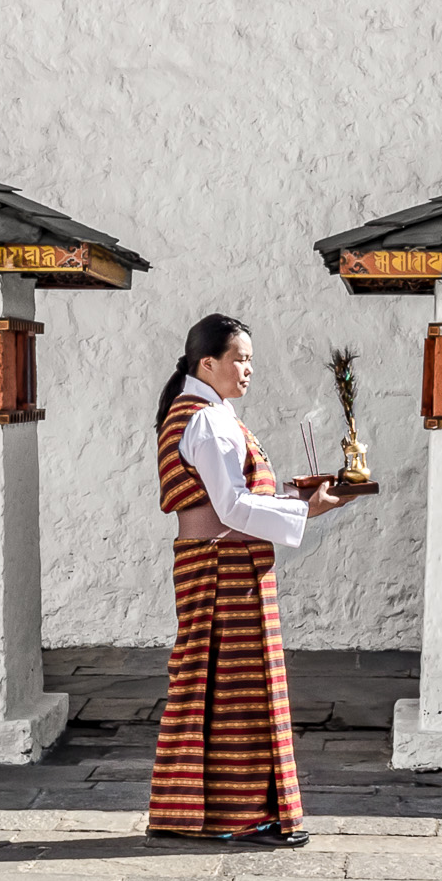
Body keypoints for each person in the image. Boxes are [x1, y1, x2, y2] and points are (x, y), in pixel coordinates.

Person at [149, 313, 351, 846]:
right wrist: (307, 510)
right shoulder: (207, 419)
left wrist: (298, 502)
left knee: (214, 686)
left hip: (216, 563)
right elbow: (233, 507)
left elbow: (234, 504)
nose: (249, 369)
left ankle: (199, 814)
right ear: (207, 362)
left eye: (251, 359)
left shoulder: (204, 412)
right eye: (240, 359)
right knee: (238, 690)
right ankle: (238, 817)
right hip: (222, 568)